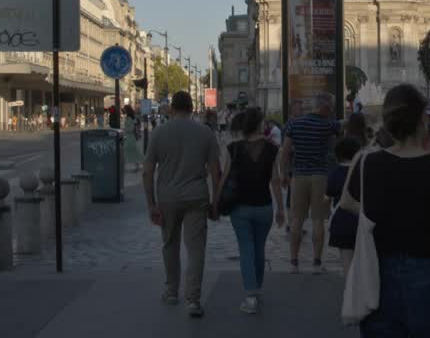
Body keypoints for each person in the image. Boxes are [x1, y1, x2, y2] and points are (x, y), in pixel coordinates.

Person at [346, 84, 430, 337]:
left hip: (377, 275)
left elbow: (348, 203)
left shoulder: (368, 163)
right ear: (422, 119)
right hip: (424, 273)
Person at [143, 91, 222, 319]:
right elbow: (216, 172)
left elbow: (147, 172)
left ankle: (170, 290)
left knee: (169, 243)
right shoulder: (205, 132)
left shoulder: (159, 133)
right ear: (190, 108)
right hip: (196, 196)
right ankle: (193, 299)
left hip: (167, 197)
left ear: (172, 109)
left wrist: (151, 204)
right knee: (196, 249)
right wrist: (215, 201)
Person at [217, 108, 284, 314]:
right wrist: (281, 208)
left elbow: (225, 178)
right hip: (264, 207)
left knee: (246, 249)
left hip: (240, 208)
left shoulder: (234, 148)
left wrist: (215, 203)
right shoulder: (272, 148)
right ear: (259, 125)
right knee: (259, 249)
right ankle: (257, 288)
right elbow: (275, 181)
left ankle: (251, 295)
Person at [280, 93, 340, 273]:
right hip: (320, 177)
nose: (331, 111)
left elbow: (285, 151)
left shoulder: (294, 124)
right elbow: (344, 127)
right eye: (329, 107)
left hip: (298, 176)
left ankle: (293, 263)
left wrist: (284, 173)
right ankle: (316, 263)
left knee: (296, 219)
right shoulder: (328, 125)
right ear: (324, 107)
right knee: (318, 220)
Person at [325, 136, 362, 272]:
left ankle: (350, 289)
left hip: (342, 221)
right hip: (361, 220)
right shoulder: (363, 171)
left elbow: (327, 196)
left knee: (347, 262)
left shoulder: (334, 173)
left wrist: (327, 213)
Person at [123, 105, 144, 172]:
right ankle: (137, 164)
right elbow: (136, 125)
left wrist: (125, 130)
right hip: (131, 136)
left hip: (130, 136)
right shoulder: (132, 117)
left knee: (129, 150)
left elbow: (131, 128)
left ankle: (136, 164)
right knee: (134, 150)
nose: (123, 110)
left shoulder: (129, 118)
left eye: (124, 109)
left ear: (127, 110)